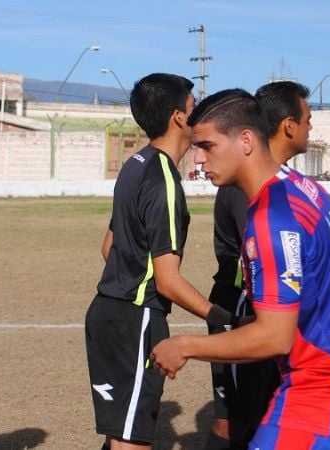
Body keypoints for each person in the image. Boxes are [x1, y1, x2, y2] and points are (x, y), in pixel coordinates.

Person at [151, 89, 330, 449]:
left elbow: (275, 337)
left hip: (324, 394)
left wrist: (185, 346)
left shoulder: (270, 219)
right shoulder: (300, 186)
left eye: (207, 146)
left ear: (245, 140)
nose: (197, 158)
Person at [88, 73, 234, 450]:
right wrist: (221, 317)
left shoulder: (135, 163)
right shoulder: (164, 179)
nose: (199, 110)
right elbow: (167, 281)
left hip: (109, 314)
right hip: (135, 319)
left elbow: (110, 247)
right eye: (194, 104)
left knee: (120, 436)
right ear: (179, 117)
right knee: (131, 443)